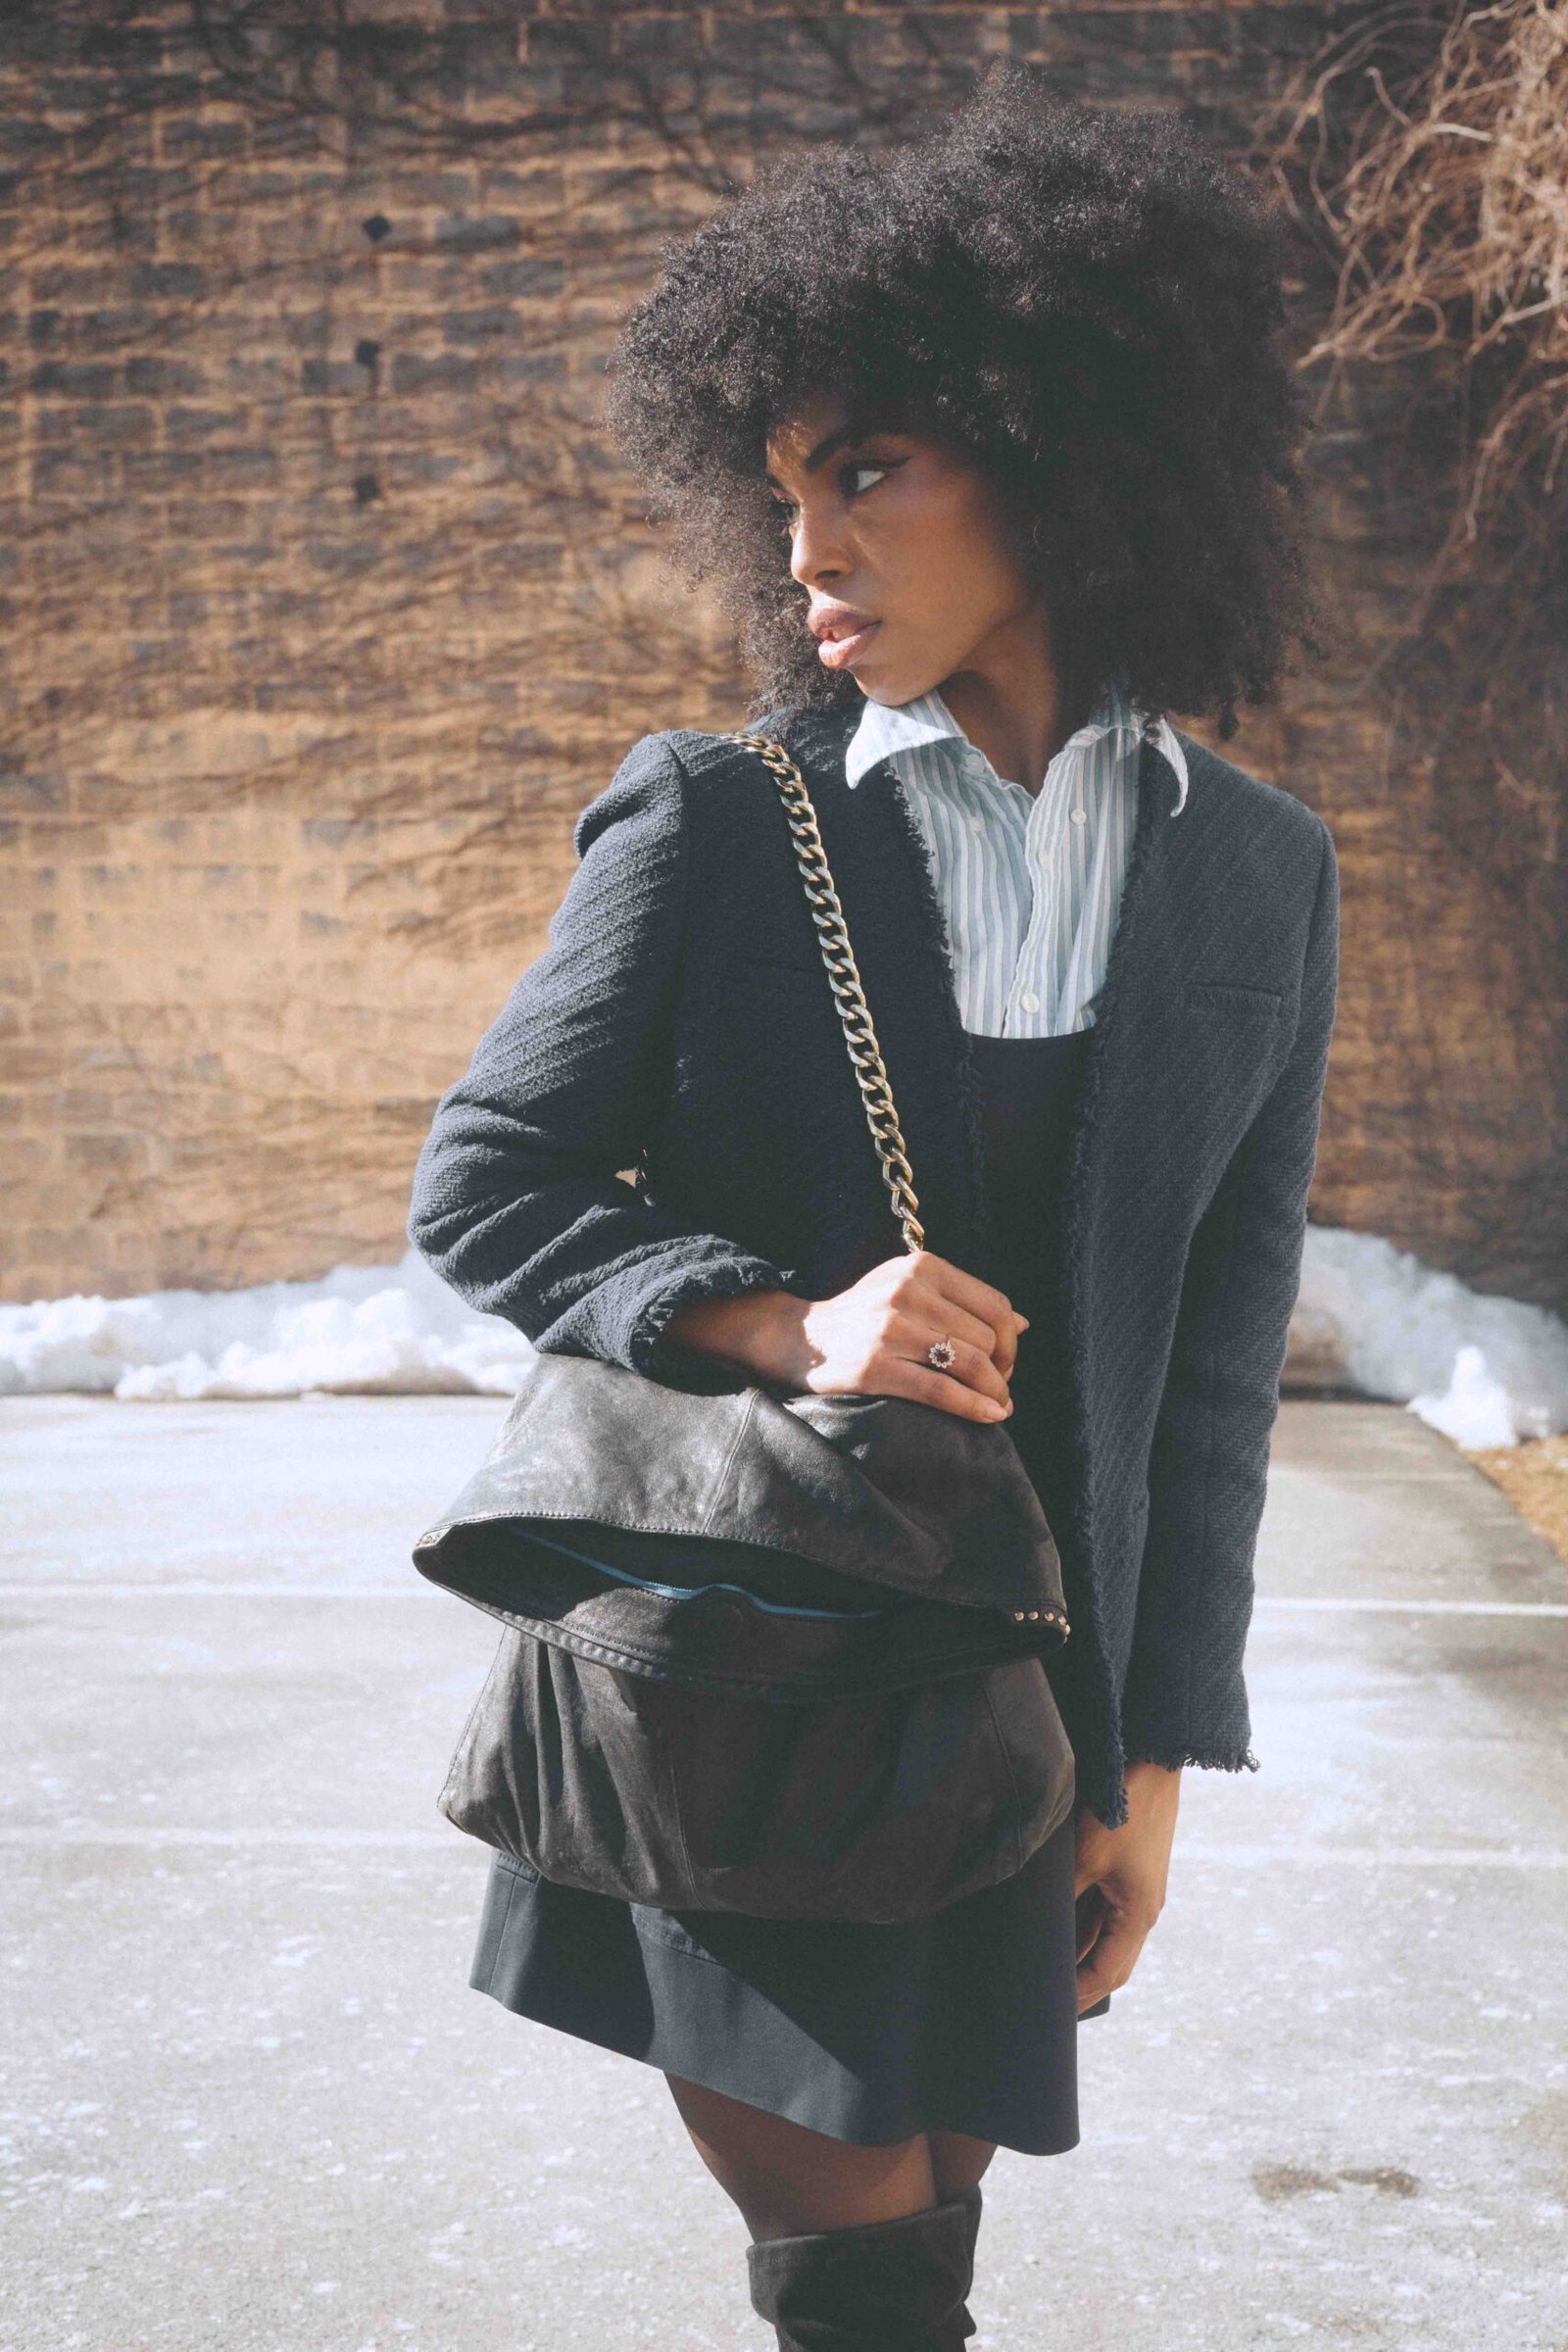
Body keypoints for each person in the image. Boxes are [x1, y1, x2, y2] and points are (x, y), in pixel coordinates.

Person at [408, 64, 1340, 2351]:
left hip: (1026, 1702)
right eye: (785, 489)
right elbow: (489, 1180)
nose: (808, 542)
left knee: (923, 2226)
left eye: (869, 470)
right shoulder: (722, 818)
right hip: (750, 1677)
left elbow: (1212, 1360)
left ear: (1068, 447)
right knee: (864, 2280)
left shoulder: (1258, 870)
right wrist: (767, 1319)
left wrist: (1152, 1763)